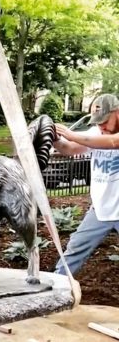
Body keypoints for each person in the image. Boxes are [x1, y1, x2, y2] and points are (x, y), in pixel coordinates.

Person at [53, 93, 119, 275]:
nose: (101, 126)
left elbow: (113, 142)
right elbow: (69, 149)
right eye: (98, 122)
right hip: (100, 210)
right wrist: (56, 138)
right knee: (74, 249)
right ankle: (57, 289)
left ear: (117, 113)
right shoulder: (96, 132)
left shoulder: (108, 137)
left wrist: (69, 133)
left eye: (105, 120)